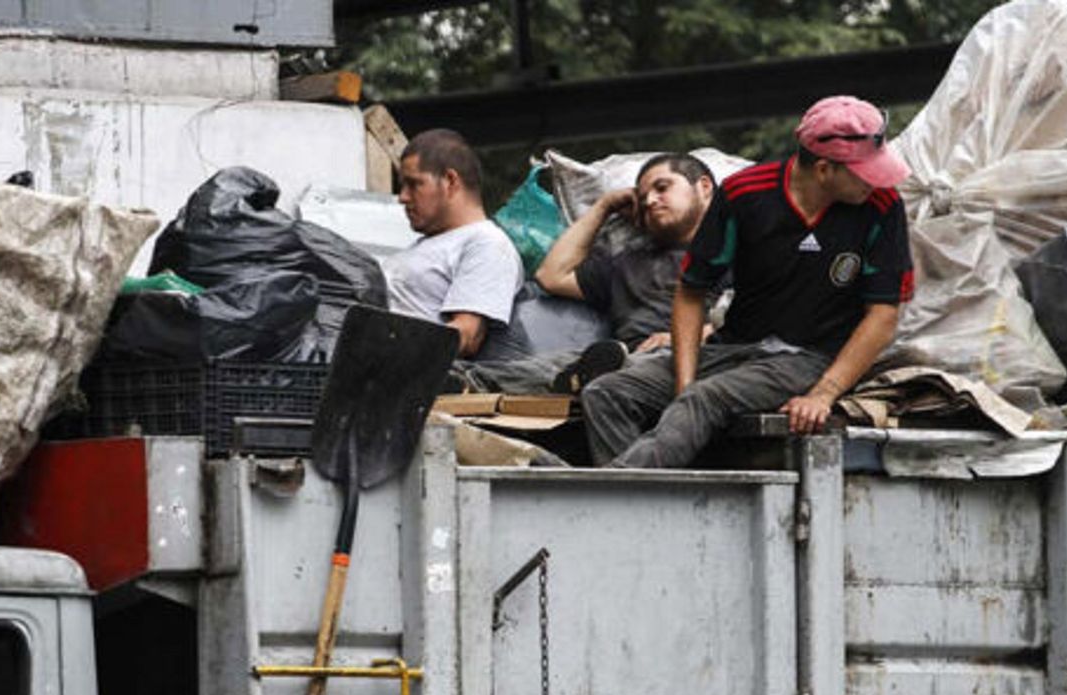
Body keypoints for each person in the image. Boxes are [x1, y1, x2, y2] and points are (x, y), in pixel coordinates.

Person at [581, 96, 914, 467]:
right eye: (867, 171)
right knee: (606, 392)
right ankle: (641, 510)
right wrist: (683, 383)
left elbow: (882, 317)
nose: (878, 181)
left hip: (812, 358)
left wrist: (824, 394)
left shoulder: (883, 207)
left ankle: (607, 495)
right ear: (823, 169)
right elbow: (691, 294)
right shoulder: (744, 194)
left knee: (704, 399)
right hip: (735, 347)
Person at [536, 152, 717, 359]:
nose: (649, 201)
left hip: (704, 358)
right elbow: (550, 276)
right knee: (504, 375)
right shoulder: (626, 264)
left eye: (662, 188)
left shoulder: (738, 251)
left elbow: (759, 319)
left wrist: (687, 338)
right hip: (627, 361)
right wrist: (605, 206)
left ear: (704, 187)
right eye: (641, 199)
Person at [382, 128, 524, 359]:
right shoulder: (427, 244)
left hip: (405, 381)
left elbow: (467, 335)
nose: (402, 197)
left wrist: (391, 348)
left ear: (450, 181)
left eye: (413, 184)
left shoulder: (486, 243)